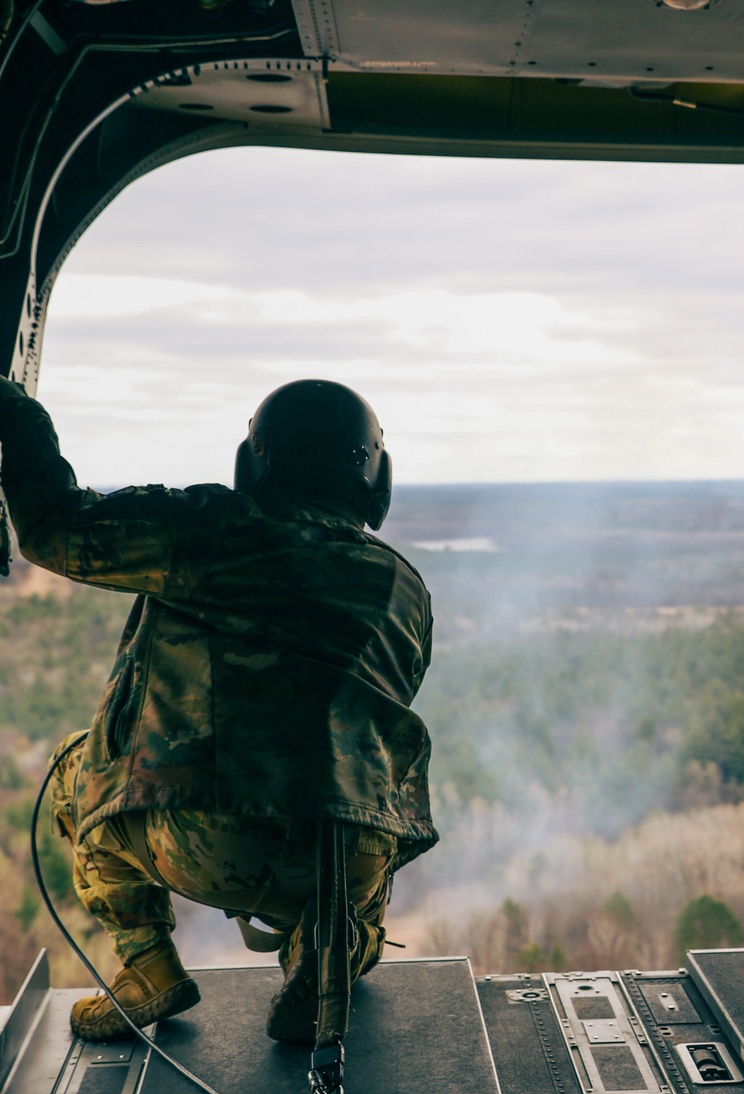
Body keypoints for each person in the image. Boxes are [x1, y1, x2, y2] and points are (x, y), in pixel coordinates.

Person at [0, 376, 437, 1044]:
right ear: (375, 480)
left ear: (257, 460)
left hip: (203, 836)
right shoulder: (408, 587)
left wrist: (20, 417)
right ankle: (329, 948)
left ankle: (148, 966)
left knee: (72, 766)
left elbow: (55, 530)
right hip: (339, 857)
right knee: (359, 842)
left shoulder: (211, 528)